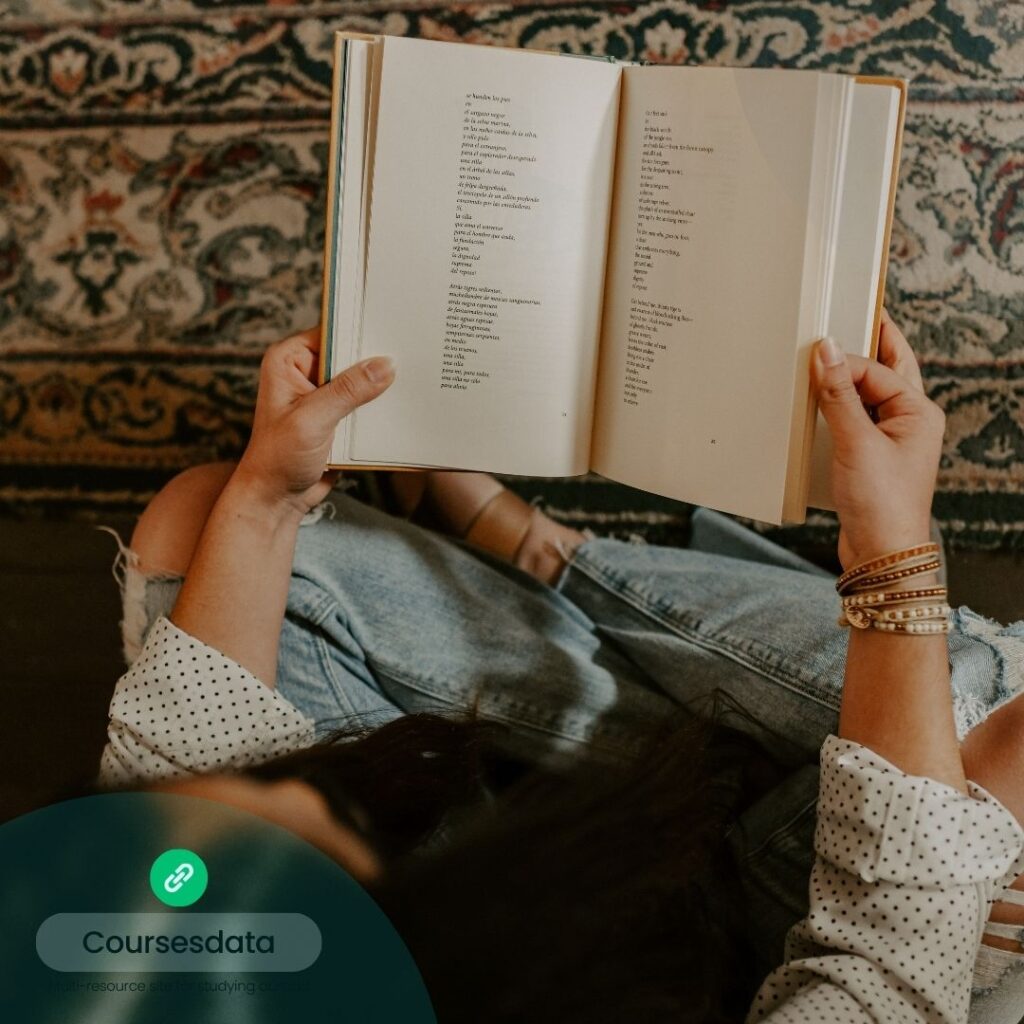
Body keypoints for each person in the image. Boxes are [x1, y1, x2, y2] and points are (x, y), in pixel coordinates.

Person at [101, 314, 1024, 1021]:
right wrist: (890, 549)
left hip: (486, 890)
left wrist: (271, 493)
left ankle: (552, 567)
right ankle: (559, 564)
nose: (287, 787)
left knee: (205, 523)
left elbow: (177, 765)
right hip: (765, 955)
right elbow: (884, 958)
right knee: (985, 727)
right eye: (311, 821)